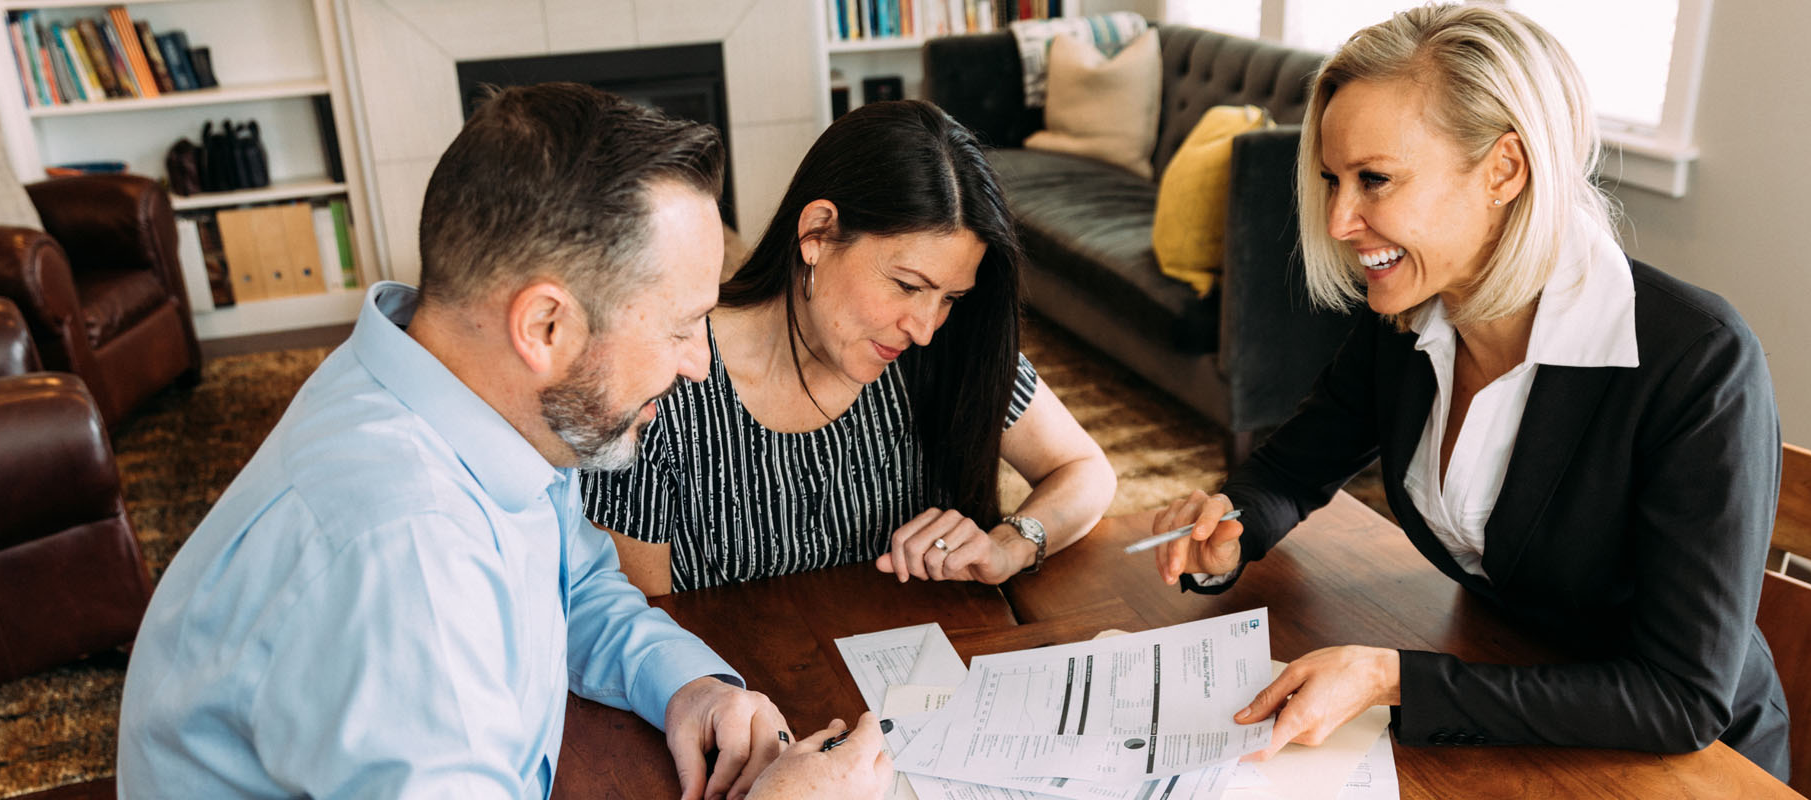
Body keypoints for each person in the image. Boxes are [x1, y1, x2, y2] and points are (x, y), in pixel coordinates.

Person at [117, 84, 890, 800]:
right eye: (683, 327)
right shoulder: (406, 555)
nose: (698, 365)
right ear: (545, 326)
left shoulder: (484, 399)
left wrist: (689, 685)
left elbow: (575, 585)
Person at [1147, 4, 1791, 779]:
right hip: (1501, 694)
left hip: (1679, 764)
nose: (1340, 220)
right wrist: (1234, 531)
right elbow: (1289, 470)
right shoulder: (1411, 315)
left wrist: (1390, 678)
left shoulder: (1698, 363)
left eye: (1375, 180)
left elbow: (1680, 698)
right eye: (1331, 180)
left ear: (1505, 170)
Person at [584, 100, 1114, 594]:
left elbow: (1086, 471)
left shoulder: (949, 347)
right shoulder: (665, 383)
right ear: (817, 233)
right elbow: (639, 624)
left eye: (950, 296)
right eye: (907, 285)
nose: (925, 327)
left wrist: (1013, 542)